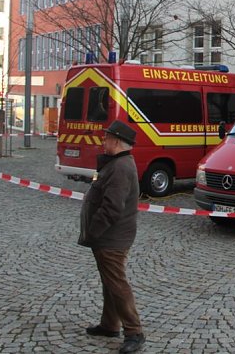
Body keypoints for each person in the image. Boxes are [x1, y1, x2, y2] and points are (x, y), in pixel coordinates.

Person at [78, 120, 146, 354]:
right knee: (110, 281)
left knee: (117, 283)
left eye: (106, 138)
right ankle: (109, 324)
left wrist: (93, 232)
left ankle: (134, 332)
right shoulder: (117, 164)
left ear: (116, 141)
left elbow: (112, 208)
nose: (103, 141)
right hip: (109, 237)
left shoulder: (120, 168)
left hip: (112, 238)